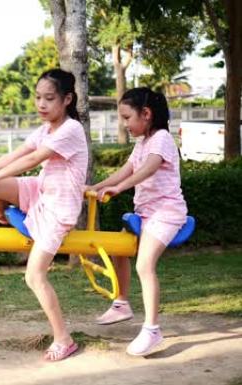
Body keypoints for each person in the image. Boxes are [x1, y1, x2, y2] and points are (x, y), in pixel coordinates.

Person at [0, 69, 88, 361]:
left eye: (49, 98)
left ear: (67, 99)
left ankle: (64, 339)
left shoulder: (71, 129)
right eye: (38, 97)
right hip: (38, 191)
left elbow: (32, 159)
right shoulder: (44, 130)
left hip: (58, 210)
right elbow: (16, 154)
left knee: (34, 276)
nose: (41, 104)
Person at [88, 87, 187, 356]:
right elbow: (126, 170)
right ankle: (121, 304)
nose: (124, 123)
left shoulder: (162, 139)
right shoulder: (142, 142)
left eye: (127, 117)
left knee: (144, 265)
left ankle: (152, 330)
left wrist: (118, 189)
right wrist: (95, 186)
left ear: (146, 114)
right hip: (145, 212)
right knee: (119, 250)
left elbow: (147, 170)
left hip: (166, 213)